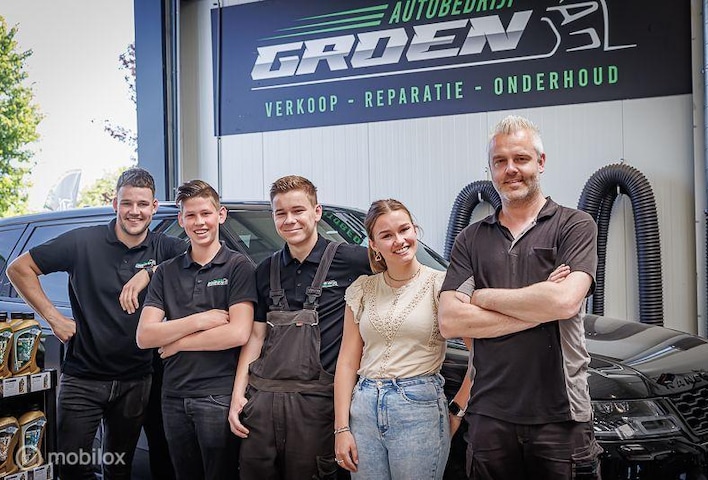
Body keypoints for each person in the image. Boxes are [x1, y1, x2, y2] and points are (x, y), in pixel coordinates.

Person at [438, 115, 602, 480]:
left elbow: (565, 302)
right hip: (488, 414)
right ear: (491, 169)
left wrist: (481, 296)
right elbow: (450, 320)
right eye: (500, 161)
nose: (510, 169)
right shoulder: (471, 239)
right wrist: (540, 302)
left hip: (561, 416)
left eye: (521, 159)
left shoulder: (574, 225)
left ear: (540, 162)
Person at [7, 167, 187, 480]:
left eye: (142, 204)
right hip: (83, 379)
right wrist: (55, 319)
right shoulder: (83, 242)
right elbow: (19, 269)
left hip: (137, 380)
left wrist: (149, 273)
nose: (134, 211)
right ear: (115, 204)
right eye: (127, 203)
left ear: (154, 207)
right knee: (72, 467)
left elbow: (203, 258)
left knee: (119, 469)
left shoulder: (164, 247)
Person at [228, 175, 372, 480]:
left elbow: (401, 269)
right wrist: (238, 396)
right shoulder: (265, 270)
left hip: (317, 407)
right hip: (263, 404)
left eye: (298, 210)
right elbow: (256, 337)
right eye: (281, 213)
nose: (289, 220)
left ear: (317, 212)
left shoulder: (352, 260)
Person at [333, 198, 467, 479]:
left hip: (418, 407)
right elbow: (346, 362)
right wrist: (341, 428)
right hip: (364, 407)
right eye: (386, 235)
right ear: (373, 244)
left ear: (415, 230)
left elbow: (480, 355)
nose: (399, 240)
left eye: (404, 229)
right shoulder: (362, 289)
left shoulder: (442, 284)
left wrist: (456, 410)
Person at [136, 179, 256, 480]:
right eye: (190, 215)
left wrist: (177, 342)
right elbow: (145, 336)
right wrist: (200, 321)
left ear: (220, 215)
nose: (199, 222)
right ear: (181, 220)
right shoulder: (166, 272)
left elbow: (238, 333)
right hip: (173, 396)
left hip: (218, 395)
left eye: (205, 213)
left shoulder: (238, 266)